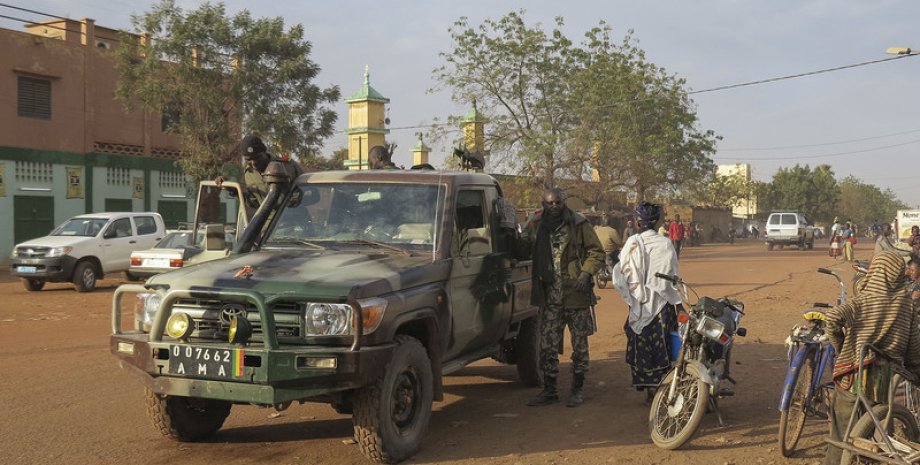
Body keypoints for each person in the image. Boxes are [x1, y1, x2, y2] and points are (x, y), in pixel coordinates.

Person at [822, 251, 920, 465]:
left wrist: (842, 348)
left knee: (841, 433)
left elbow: (833, 319)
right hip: (885, 379)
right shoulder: (906, 304)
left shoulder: (863, 300)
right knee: (879, 433)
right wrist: (915, 373)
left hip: (854, 375)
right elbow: (914, 350)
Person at [521, 188, 605, 408]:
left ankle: (577, 389)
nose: (554, 207)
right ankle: (549, 390)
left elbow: (596, 252)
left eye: (558, 203)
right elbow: (522, 247)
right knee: (547, 346)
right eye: (550, 203)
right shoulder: (537, 225)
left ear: (564, 203)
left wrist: (586, 273)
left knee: (580, 347)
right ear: (544, 204)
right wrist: (521, 227)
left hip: (576, 296)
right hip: (550, 297)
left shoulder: (578, 224)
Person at [613, 201, 683, 403]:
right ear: (658, 221)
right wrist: (678, 303)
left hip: (638, 304)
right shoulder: (665, 244)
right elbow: (671, 277)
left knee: (640, 343)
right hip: (661, 304)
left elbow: (621, 275)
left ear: (636, 223)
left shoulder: (631, 243)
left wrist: (634, 296)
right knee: (662, 343)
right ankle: (660, 388)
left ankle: (648, 389)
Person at [217, 135, 304, 208]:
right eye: (249, 160)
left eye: (257, 157)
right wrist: (234, 191)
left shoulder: (287, 166)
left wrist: (292, 201)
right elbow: (254, 203)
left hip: (293, 221)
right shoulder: (249, 173)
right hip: (268, 225)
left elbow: (310, 192)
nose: (253, 163)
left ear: (264, 152)